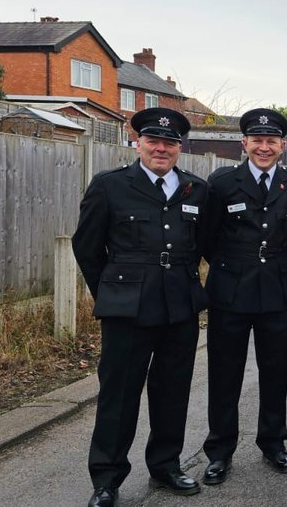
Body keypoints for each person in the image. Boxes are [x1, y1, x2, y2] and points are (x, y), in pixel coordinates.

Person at [72, 107, 208, 507]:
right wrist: (113, 291)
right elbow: (87, 247)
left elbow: (201, 245)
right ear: (138, 143)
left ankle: (165, 465)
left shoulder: (196, 190)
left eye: (169, 143)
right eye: (153, 141)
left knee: (172, 391)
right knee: (119, 394)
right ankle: (107, 478)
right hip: (126, 309)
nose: (161, 149)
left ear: (179, 148)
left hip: (179, 306)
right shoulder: (110, 185)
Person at [199, 108, 287, 485]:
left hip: (277, 290)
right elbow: (207, 238)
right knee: (224, 373)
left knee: (275, 370)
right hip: (230, 290)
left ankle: (272, 442)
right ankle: (219, 450)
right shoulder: (221, 182)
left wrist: (276, 265)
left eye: (271, 141)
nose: (264, 148)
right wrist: (236, 265)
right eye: (257, 140)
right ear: (244, 143)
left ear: (282, 145)